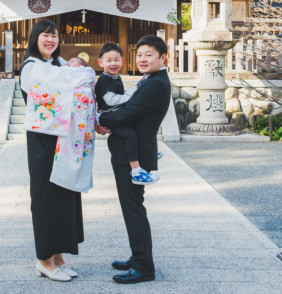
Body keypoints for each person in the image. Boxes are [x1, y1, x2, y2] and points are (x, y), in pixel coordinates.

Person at [96, 35, 171, 285]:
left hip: (134, 153)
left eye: (148, 54)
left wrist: (98, 120)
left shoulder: (156, 84)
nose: (142, 59)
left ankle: (143, 267)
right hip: (132, 151)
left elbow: (127, 114)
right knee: (133, 209)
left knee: (133, 210)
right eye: (139, 54)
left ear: (163, 58)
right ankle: (138, 256)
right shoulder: (151, 79)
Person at [20, 20, 84, 283]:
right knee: (45, 197)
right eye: (45, 35)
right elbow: (50, 94)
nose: (50, 40)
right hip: (43, 140)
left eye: (54, 36)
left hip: (64, 139)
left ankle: (58, 257)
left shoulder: (58, 65)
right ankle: (44, 260)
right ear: (35, 38)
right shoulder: (31, 66)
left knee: (63, 194)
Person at [95, 43, 158, 186]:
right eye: (108, 61)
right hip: (107, 115)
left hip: (113, 113)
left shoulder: (115, 77)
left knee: (136, 126)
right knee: (129, 134)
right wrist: (133, 91)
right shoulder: (104, 80)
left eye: (116, 60)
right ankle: (136, 171)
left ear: (122, 61)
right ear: (100, 62)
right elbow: (113, 101)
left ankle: (148, 153)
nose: (113, 64)